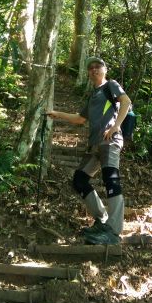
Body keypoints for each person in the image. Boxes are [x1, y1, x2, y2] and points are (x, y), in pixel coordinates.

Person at [47, 57, 131, 245]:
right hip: (94, 146)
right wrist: (57, 114)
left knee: (111, 179)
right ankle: (102, 219)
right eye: (90, 68)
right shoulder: (93, 95)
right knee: (79, 180)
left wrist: (116, 126)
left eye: (97, 67)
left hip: (110, 141)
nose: (94, 70)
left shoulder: (111, 85)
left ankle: (114, 230)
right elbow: (80, 119)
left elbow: (126, 102)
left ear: (105, 69)